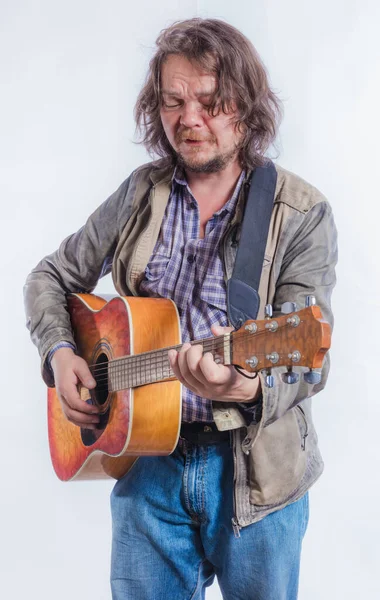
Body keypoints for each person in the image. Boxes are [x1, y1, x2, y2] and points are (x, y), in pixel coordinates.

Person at [24, 18, 338, 600]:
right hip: (147, 466)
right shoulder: (141, 192)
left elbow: (308, 360)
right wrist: (60, 351)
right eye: (172, 102)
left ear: (245, 106)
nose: (188, 119)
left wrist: (245, 387)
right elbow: (50, 275)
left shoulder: (300, 212)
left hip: (255, 480)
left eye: (209, 102)